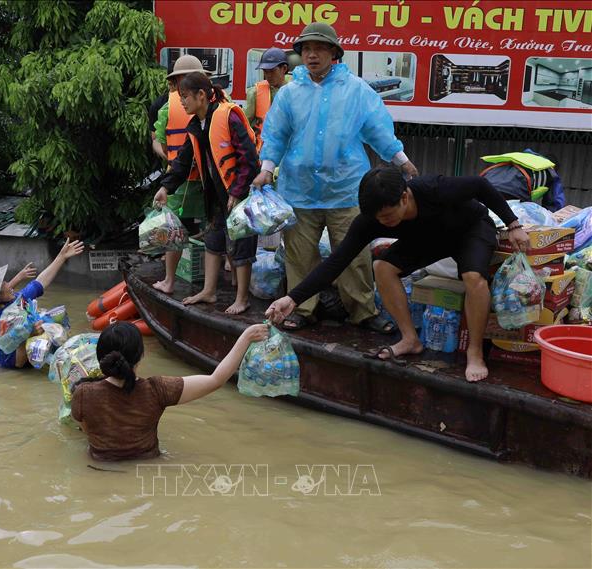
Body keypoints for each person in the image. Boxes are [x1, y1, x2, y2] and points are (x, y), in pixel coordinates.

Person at [266, 167, 531, 383]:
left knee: (473, 277)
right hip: (427, 240)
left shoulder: (433, 188)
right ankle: (410, 339)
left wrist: (513, 224)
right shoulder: (371, 219)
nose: (384, 222)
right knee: (382, 267)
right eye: (378, 219)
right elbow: (337, 261)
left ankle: (474, 352)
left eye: (388, 216)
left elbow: (480, 185)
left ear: (404, 197)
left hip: (469, 230)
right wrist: (292, 299)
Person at [252, 23, 419, 332]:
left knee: (354, 255)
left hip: (346, 190)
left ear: (333, 52)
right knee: (300, 256)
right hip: (299, 191)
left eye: (318, 49)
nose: (311, 55)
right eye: (306, 50)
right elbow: (275, 135)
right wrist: (266, 167)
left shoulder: (356, 90)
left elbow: (378, 129)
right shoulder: (289, 94)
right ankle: (303, 308)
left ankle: (363, 311)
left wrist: (402, 161)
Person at [71, 321, 269, 461]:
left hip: (100, 470)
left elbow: (88, 431)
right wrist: (246, 337)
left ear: (100, 358)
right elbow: (215, 380)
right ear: (141, 355)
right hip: (148, 467)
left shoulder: (83, 393)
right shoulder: (157, 389)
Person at [153, 72, 260, 315]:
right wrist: (165, 187)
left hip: (237, 195)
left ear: (201, 95)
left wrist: (237, 190)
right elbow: (182, 161)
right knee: (213, 241)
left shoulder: (228, 115)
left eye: (185, 97)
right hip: (214, 196)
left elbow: (250, 160)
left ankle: (242, 298)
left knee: (241, 244)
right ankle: (209, 291)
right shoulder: (196, 125)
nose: (182, 102)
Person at [0, 239, 84, 368]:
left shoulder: (15, 300)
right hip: (14, 372)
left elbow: (40, 282)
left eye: (5, 282)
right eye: (4, 285)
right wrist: (29, 334)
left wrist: (61, 257)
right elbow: (17, 363)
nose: (9, 285)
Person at [152, 55, 208, 294]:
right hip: (205, 178)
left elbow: (159, 143)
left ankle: (169, 280)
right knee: (214, 226)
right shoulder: (216, 103)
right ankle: (223, 275)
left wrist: (170, 158)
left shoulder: (167, 107)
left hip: (182, 178)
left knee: (173, 231)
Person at [244, 47, 290, 152]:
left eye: (272, 71)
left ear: (284, 68)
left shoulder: (297, 91)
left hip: (288, 153)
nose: (268, 76)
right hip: (262, 154)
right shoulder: (255, 93)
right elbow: (244, 126)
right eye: (265, 71)